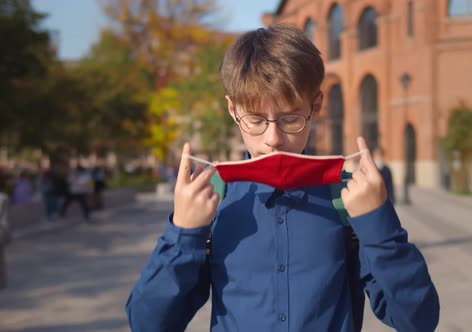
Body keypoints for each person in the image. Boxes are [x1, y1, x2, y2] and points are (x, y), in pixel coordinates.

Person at [126, 24, 439, 332]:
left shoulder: (346, 197)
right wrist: (183, 232)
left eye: (290, 118)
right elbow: (148, 323)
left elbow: (418, 320)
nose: (273, 138)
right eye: (255, 119)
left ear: (315, 107)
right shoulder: (215, 198)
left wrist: (377, 223)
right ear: (233, 110)